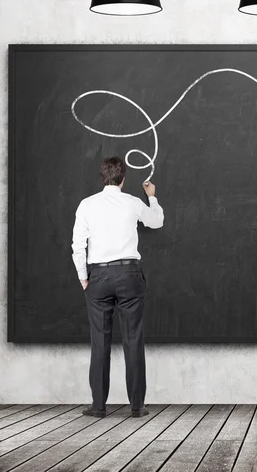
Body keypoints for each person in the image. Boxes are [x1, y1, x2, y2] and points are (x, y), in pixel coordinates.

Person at [71, 157, 164, 418]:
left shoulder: (87, 204)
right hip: (129, 274)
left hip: (98, 276)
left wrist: (83, 278)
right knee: (133, 339)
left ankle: (99, 406)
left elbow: (78, 245)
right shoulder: (133, 202)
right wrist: (152, 197)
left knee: (99, 341)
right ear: (123, 178)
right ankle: (137, 406)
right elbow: (156, 221)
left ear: (103, 176)